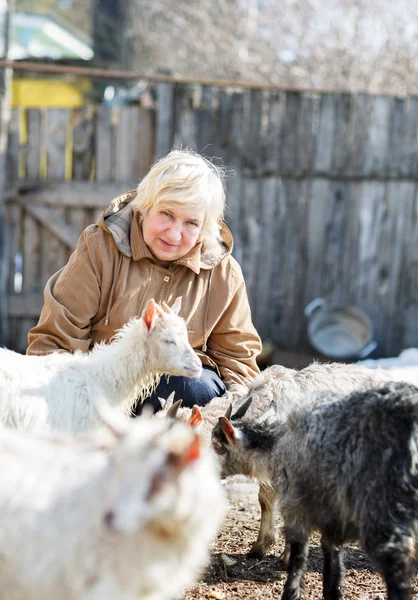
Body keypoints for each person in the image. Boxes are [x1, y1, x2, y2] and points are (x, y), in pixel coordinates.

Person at [27, 149, 262, 412]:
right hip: (99, 397)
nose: (174, 235)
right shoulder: (99, 249)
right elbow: (54, 343)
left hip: (181, 406)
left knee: (198, 386)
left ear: (205, 228)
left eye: (191, 223)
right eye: (167, 214)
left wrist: (231, 419)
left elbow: (238, 363)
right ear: (144, 206)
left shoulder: (223, 273)